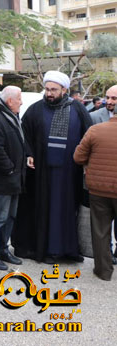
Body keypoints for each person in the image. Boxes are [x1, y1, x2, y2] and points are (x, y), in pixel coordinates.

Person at [13, 71, 92, 264]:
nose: (49, 93)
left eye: (54, 89)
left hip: (69, 174)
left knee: (65, 211)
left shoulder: (78, 109)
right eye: (47, 89)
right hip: (42, 175)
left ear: (64, 90)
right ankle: (45, 249)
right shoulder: (35, 109)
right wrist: (29, 154)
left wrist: (86, 163)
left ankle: (66, 250)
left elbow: (89, 137)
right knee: (44, 210)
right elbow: (24, 135)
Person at [0, 86, 26, 271]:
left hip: (15, 179)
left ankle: (2, 250)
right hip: (3, 179)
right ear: (10, 101)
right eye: (19, 99)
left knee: (10, 217)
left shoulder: (12, 117)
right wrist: (10, 169)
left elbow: (20, 143)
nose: (21, 102)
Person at [73, 114, 117, 281]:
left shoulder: (95, 130)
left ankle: (103, 271)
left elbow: (78, 157)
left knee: (100, 231)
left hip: (99, 189)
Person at [89, 85, 117, 262]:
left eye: (114, 98)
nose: (109, 101)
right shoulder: (94, 117)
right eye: (107, 97)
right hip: (101, 181)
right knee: (102, 224)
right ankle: (107, 254)